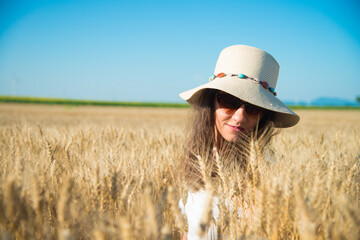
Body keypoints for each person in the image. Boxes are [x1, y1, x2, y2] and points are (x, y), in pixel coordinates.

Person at [178, 45, 300, 239]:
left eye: (253, 108)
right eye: (229, 101)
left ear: (264, 115)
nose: (239, 117)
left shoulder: (266, 175)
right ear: (212, 103)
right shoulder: (195, 161)